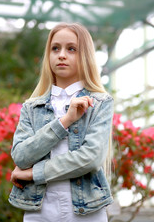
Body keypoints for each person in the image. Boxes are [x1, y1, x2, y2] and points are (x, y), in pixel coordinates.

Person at [9, 22, 114, 222]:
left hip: (87, 211)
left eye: (71, 49)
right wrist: (65, 121)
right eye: (55, 48)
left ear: (85, 56)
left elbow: (91, 157)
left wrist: (33, 174)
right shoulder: (31, 107)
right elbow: (21, 156)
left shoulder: (100, 102)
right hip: (38, 210)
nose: (62, 55)